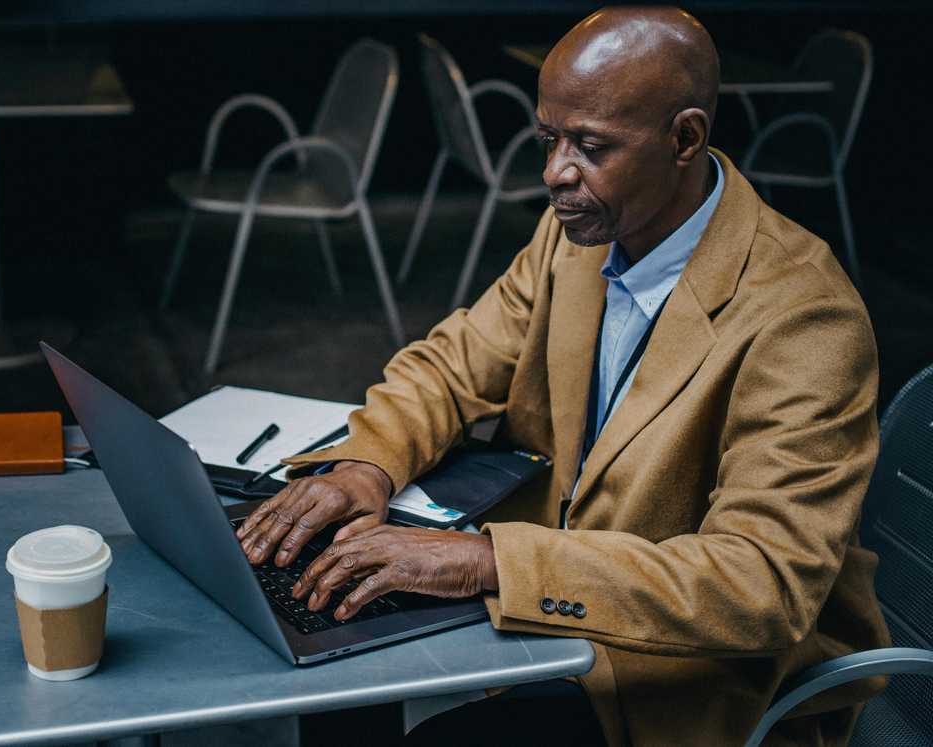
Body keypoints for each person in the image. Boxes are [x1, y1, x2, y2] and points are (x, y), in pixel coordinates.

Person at [235, 7, 890, 746]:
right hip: (556, 617)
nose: (554, 173)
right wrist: (365, 466)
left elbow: (759, 584)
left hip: (688, 678)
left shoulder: (806, 316)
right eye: (548, 138)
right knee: (328, 659)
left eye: (590, 145)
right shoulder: (584, 230)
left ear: (685, 139)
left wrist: (488, 562)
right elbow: (453, 362)